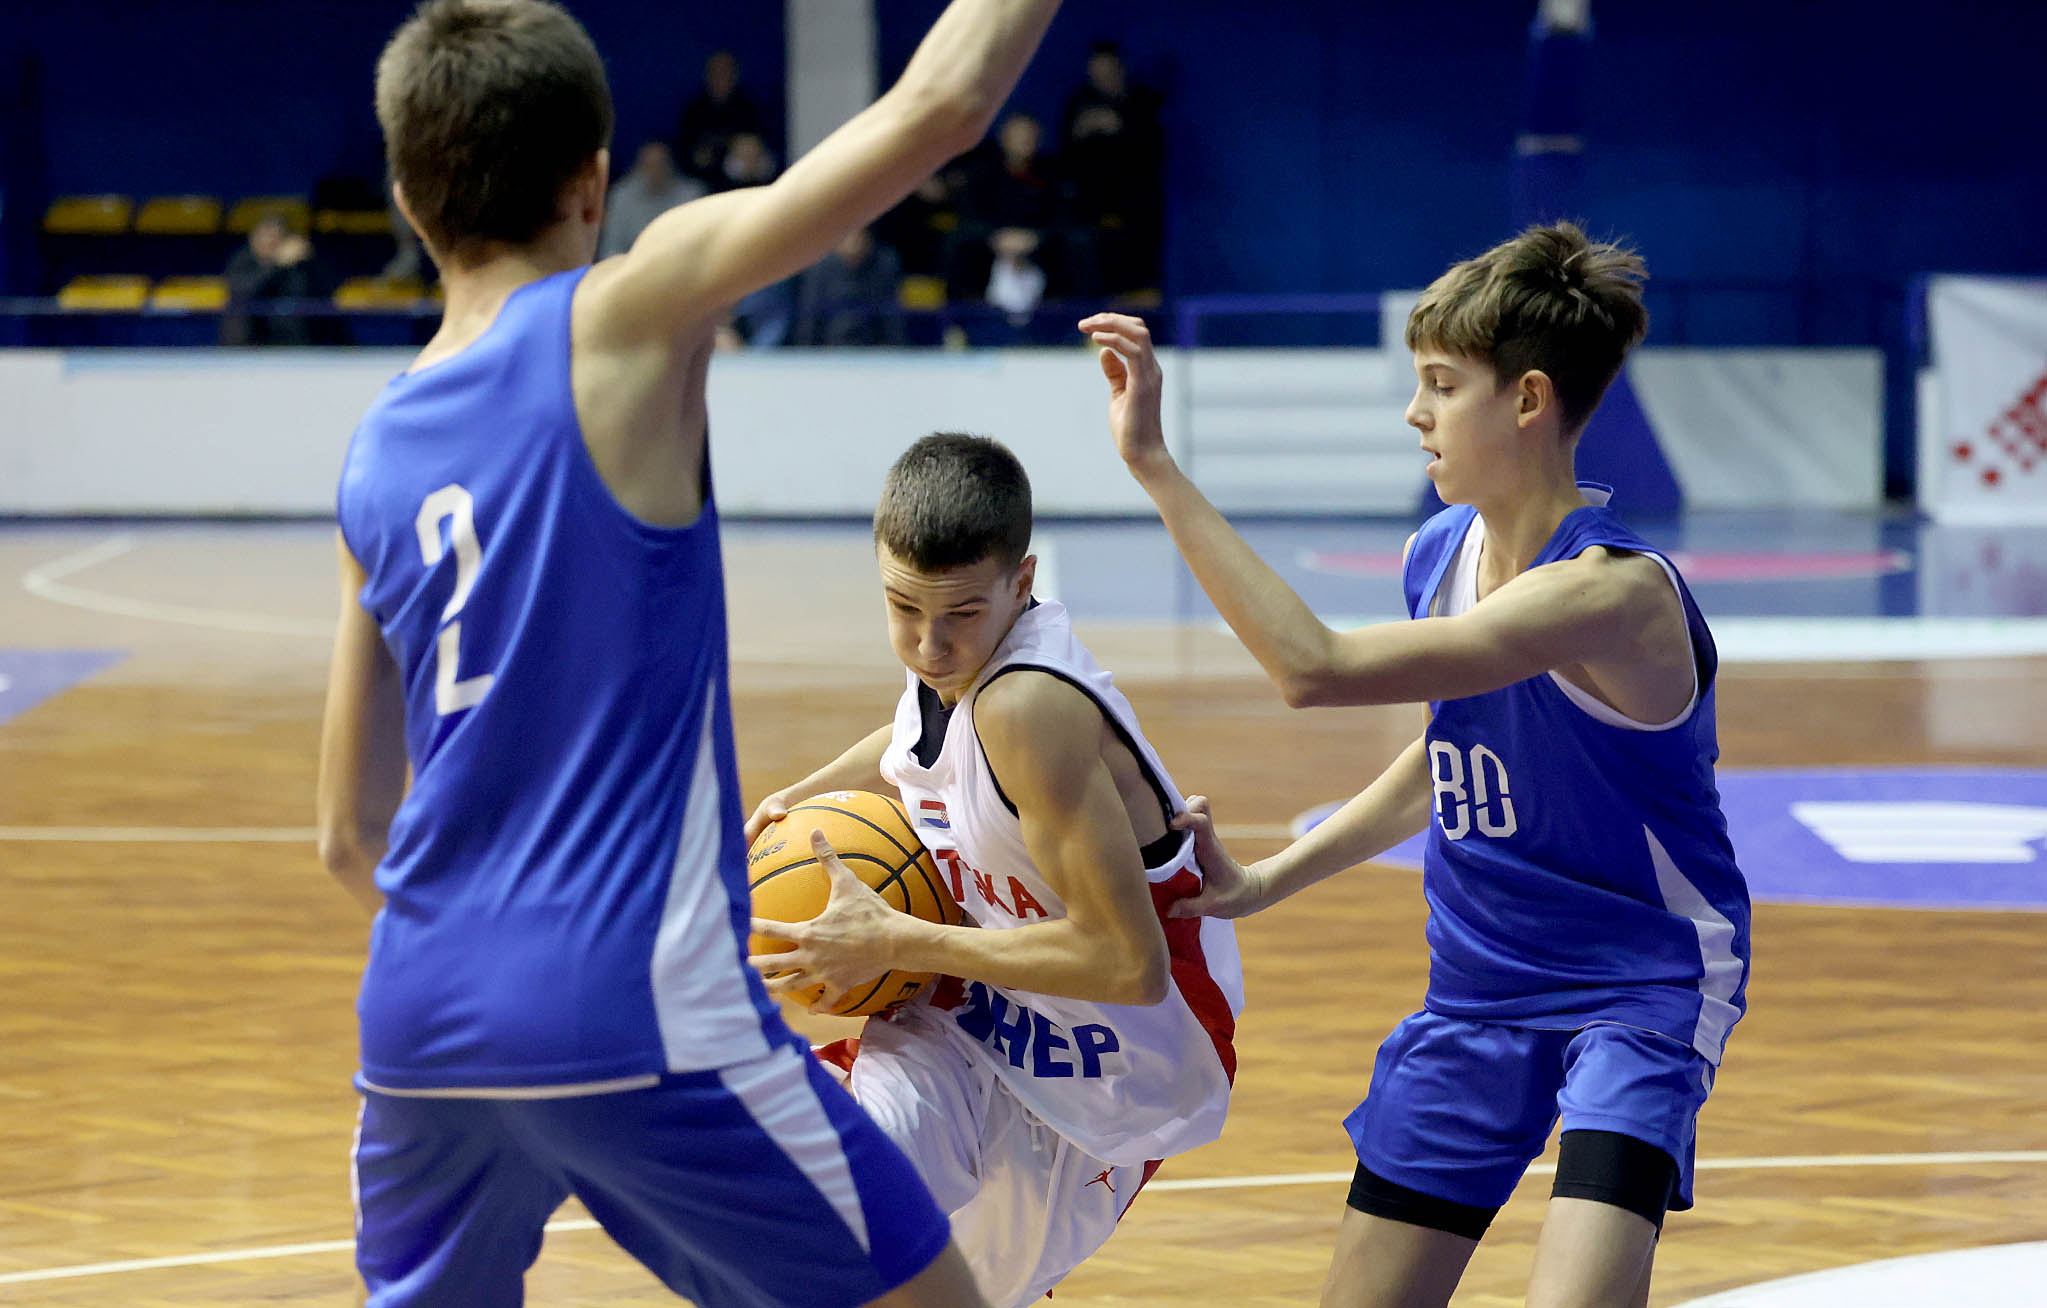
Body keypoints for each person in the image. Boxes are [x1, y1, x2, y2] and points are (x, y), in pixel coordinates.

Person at [313, 1, 1061, 1304]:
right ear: (593, 182)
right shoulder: (624, 314)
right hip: (633, 1003)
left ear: (406, 199)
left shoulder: (371, 455)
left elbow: (348, 835)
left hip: (420, 1028)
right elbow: (937, 108)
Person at [1078, 222, 1751, 1308]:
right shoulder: (1438, 553)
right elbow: (1447, 754)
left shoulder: (1610, 594)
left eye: (1441, 384)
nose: (1414, 412)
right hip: (1477, 987)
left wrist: (1153, 465)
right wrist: (1265, 880)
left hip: (1637, 987)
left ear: (1527, 401)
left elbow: (1311, 669)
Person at [745, 433, 1242, 1308]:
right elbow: (915, 737)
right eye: (903, 607)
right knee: (812, 1202)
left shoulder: (1029, 708)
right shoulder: (959, 664)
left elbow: (1127, 965)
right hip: (972, 1011)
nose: (929, 645)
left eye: (960, 614)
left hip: (1103, 1072)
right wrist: (798, 795)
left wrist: (895, 939)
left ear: (1023, 582)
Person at [221, 213, 337, 346]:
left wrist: (311, 259)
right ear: (252, 238)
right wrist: (276, 264)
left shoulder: (298, 265)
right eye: (264, 236)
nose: (268, 242)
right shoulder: (241, 261)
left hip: (297, 343)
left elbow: (328, 292)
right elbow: (245, 292)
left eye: (275, 237)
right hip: (249, 343)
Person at [793, 226, 905, 347]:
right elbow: (808, 317)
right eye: (848, 236)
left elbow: (892, 319)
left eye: (860, 236)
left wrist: (894, 350)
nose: (854, 243)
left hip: (872, 349)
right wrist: (806, 352)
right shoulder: (819, 268)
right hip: (828, 348)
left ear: (869, 238)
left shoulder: (884, 264)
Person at [597, 140, 705, 259]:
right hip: (630, 264)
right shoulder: (621, 195)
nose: (655, 173)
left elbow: (696, 246)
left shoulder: (691, 195)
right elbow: (611, 246)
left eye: (660, 165)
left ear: (670, 166)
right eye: (649, 166)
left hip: (676, 264)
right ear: (639, 168)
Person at [674, 50, 766, 186]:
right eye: (716, 73)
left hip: (743, 177)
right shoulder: (694, 110)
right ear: (708, 76)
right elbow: (686, 151)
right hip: (703, 179)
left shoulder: (748, 108)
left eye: (726, 73)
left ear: (735, 76)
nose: (721, 79)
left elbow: (758, 143)